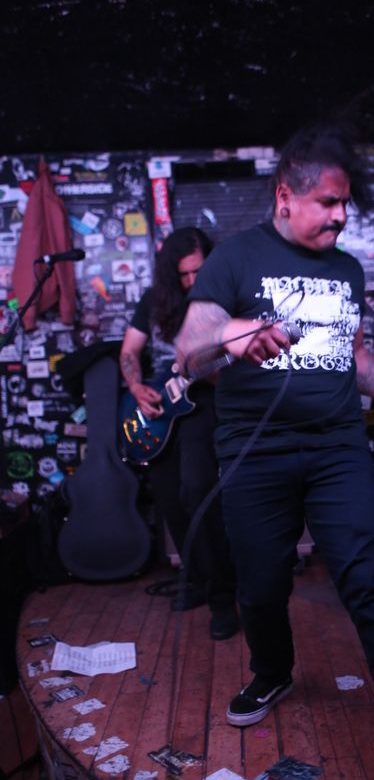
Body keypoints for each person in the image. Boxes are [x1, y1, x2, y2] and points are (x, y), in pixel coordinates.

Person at [175, 125, 374, 780]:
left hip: (336, 448)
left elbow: (351, 356)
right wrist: (232, 332)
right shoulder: (235, 259)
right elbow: (188, 352)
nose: (340, 216)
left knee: (369, 583)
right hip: (255, 452)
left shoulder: (347, 270)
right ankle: (273, 670)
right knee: (261, 586)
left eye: (345, 204)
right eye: (328, 203)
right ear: (285, 197)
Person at [119, 227, 238, 640]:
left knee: (198, 490)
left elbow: (230, 366)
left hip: (200, 401)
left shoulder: (223, 300)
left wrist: (210, 369)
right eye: (183, 274)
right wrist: (136, 387)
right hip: (156, 409)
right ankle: (200, 580)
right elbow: (129, 351)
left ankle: (223, 598)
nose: (191, 281)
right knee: (171, 501)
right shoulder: (154, 301)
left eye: (198, 272)